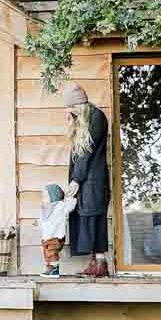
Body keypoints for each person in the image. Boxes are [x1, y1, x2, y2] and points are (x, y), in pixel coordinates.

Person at [63, 82, 111, 278]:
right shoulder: (84, 119)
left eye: (72, 107)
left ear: (79, 104)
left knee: (93, 218)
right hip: (86, 178)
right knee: (86, 217)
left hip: (93, 178)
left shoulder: (96, 117)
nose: (69, 111)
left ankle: (101, 264)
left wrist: (76, 180)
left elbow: (87, 152)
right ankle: (95, 263)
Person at [39, 184, 77, 279]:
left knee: (52, 253)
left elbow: (70, 206)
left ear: (54, 196)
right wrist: (37, 223)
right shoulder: (45, 209)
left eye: (45, 196)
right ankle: (50, 268)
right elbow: (43, 221)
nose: (43, 199)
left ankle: (54, 270)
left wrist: (70, 198)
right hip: (46, 237)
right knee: (46, 253)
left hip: (56, 236)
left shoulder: (60, 206)